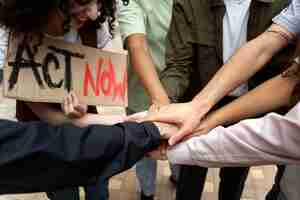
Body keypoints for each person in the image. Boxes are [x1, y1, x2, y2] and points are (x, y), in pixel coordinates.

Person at [151, 0, 292, 199]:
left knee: (234, 179)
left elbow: (286, 76)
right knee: (190, 175)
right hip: (197, 108)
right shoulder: (191, 4)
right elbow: (178, 66)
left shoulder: (283, 5)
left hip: (250, 108)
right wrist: (163, 108)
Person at [118, 1, 178, 199]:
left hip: (180, 90)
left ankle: (178, 176)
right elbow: (137, 44)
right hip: (142, 92)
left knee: (178, 142)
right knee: (143, 146)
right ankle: (147, 191)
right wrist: (163, 104)